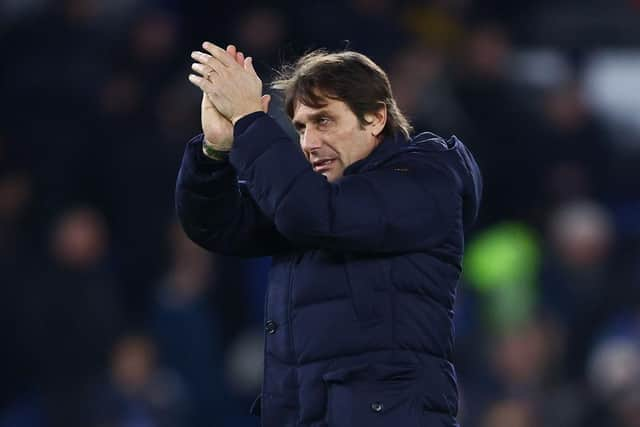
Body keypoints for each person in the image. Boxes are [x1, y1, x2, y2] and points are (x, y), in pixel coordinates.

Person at [176, 42, 482, 427]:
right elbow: (217, 225)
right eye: (300, 127)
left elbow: (311, 212)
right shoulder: (312, 197)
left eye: (324, 121)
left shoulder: (423, 181)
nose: (308, 143)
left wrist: (251, 120)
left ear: (375, 118)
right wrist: (215, 151)